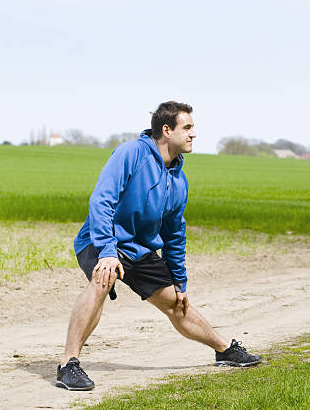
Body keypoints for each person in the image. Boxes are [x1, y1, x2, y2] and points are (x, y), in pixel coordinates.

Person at [57, 101, 261, 390]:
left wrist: (179, 280)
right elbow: (102, 201)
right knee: (103, 279)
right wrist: (106, 251)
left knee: (176, 303)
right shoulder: (131, 154)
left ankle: (224, 349)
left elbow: (175, 233)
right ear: (167, 130)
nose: (193, 134)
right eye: (187, 128)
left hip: (139, 249)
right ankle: (68, 365)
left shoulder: (178, 180)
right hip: (102, 240)